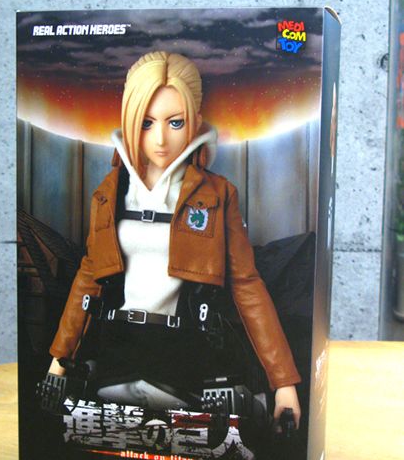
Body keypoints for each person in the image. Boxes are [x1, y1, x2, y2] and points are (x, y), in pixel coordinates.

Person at [46, 51, 301, 427]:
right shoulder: (110, 193)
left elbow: (247, 285)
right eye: (147, 123)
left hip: (185, 358)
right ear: (130, 121)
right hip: (118, 351)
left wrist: (283, 383)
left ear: (194, 121)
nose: (161, 139)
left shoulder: (217, 195)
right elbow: (89, 277)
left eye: (175, 122)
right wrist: (59, 362)